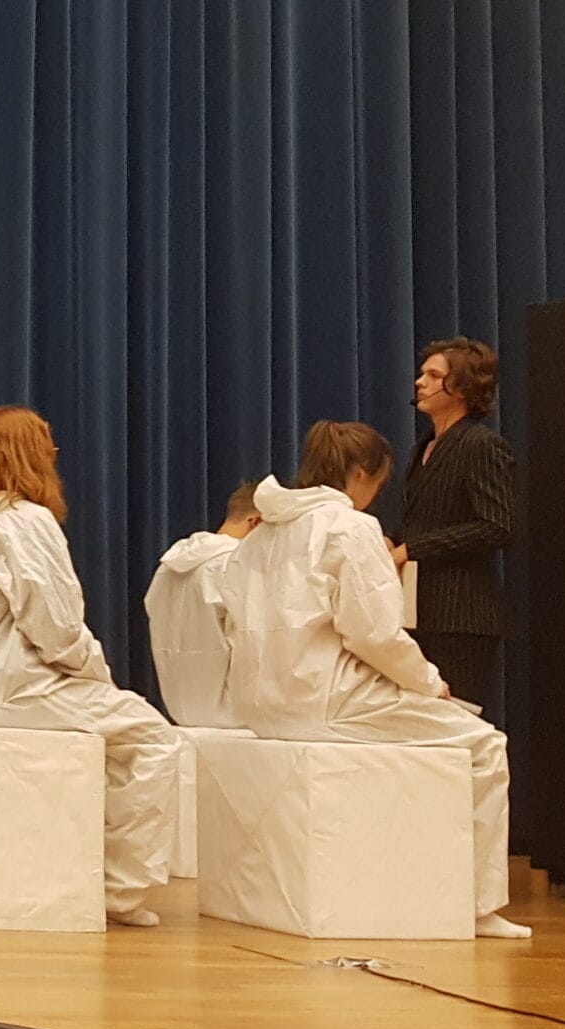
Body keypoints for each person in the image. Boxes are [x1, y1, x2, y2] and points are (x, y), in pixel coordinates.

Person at [223, 420, 531, 939]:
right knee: (483, 744)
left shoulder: (263, 533)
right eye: (379, 484)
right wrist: (430, 683)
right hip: (328, 700)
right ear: (362, 473)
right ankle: (478, 906)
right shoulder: (350, 529)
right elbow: (374, 634)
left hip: (262, 704)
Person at [0, 406, 177, 927]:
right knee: (153, 739)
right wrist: (97, 673)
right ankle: (120, 888)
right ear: (34, 457)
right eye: (48, 447)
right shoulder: (25, 522)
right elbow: (58, 628)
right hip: (9, 687)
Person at [393, 338, 519, 723]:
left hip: (462, 616)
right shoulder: (423, 448)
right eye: (422, 374)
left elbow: (497, 526)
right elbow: (424, 518)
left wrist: (412, 548)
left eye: (434, 376)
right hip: (420, 613)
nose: (420, 382)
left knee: (456, 725)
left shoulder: (481, 445)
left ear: (462, 388)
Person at [142, 481, 262, 728]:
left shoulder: (167, 568)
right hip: (242, 723)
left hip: (181, 718)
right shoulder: (238, 566)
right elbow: (255, 649)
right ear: (257, 523)